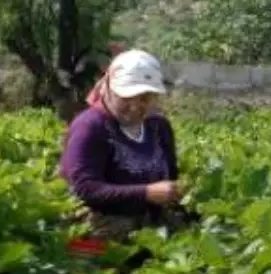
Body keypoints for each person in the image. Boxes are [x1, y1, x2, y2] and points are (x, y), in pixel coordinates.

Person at [59, 49, 189, 241]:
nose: (135, 106)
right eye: (126, 97)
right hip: (99, 224)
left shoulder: (158, 126)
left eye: (144, 98)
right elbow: (85, 188)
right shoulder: (90, 126)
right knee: (90, 255)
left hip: (149, 222)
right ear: (109, 88)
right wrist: (146, 193)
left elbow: (171, 175)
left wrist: (178, 192)